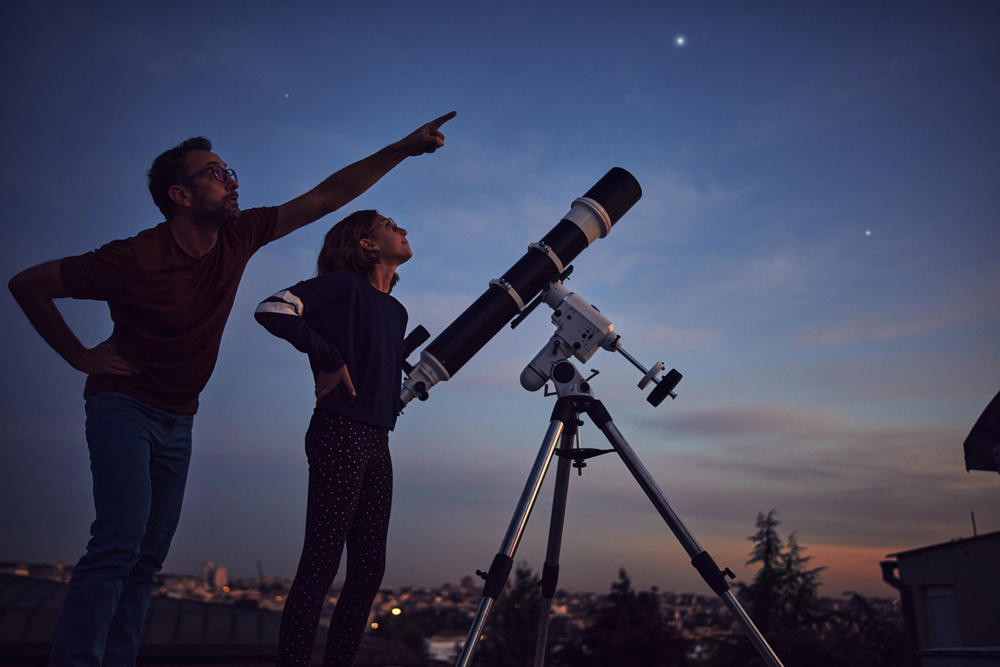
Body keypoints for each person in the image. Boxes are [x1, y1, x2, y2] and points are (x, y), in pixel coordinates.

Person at [7, 111, 455, 667]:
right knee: (118, 544)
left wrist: (401, 149)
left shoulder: (237, 236)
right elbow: (28, 285)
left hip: (180, 417)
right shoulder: (132, 258)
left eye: (230, 171)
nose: (233, 180)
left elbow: (327, 196)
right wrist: (79, 355)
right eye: (217, 174)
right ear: (181, 195)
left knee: (148, 558)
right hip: (123, 405)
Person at [253, 209, 412, 666]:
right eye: (389, 224)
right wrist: (326, 355)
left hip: (377, 440)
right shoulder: (344, 285)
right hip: (339, 431)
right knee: (321, 563)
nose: (402, 230)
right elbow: (273, 308)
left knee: (367, 571)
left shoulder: (396, 311)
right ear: (367, 244)